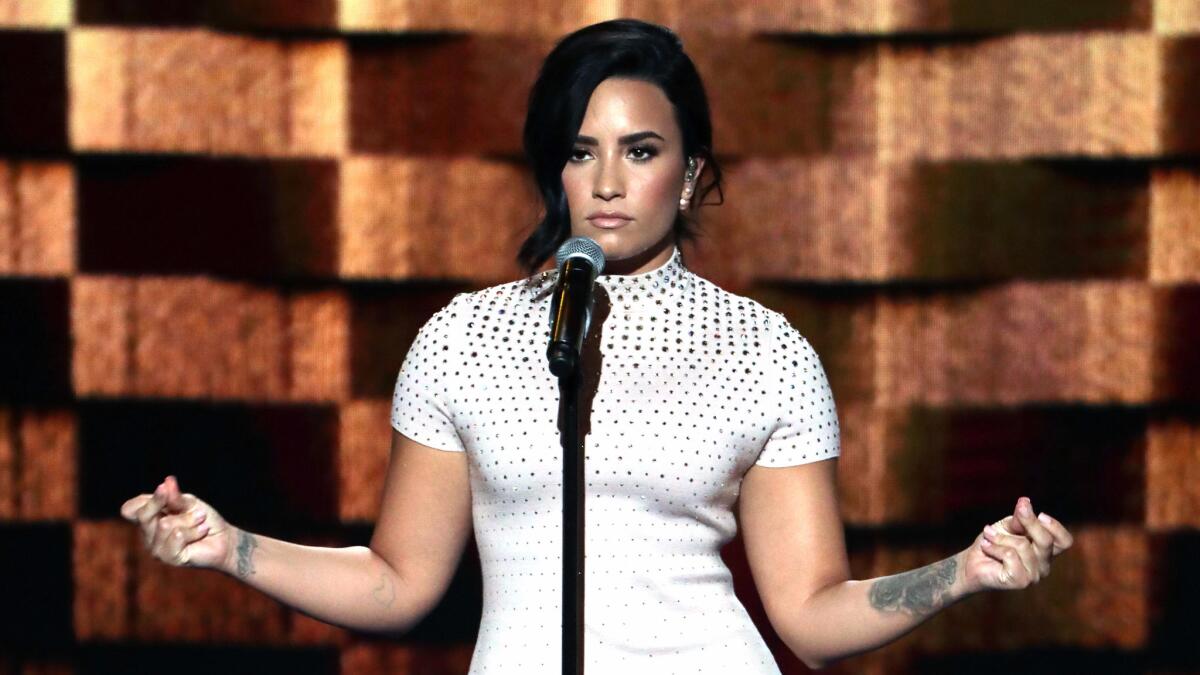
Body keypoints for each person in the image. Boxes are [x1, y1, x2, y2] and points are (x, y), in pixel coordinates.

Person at [120, 18, 1074, 673]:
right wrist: (227, 545)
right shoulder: (463, 338)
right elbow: (396, 581)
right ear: (554, 171)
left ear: (692, 172)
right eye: (582, 151)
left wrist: (966, 570)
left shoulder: (764, 348)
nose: (609, 181)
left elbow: (812, 615)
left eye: (642, 150)